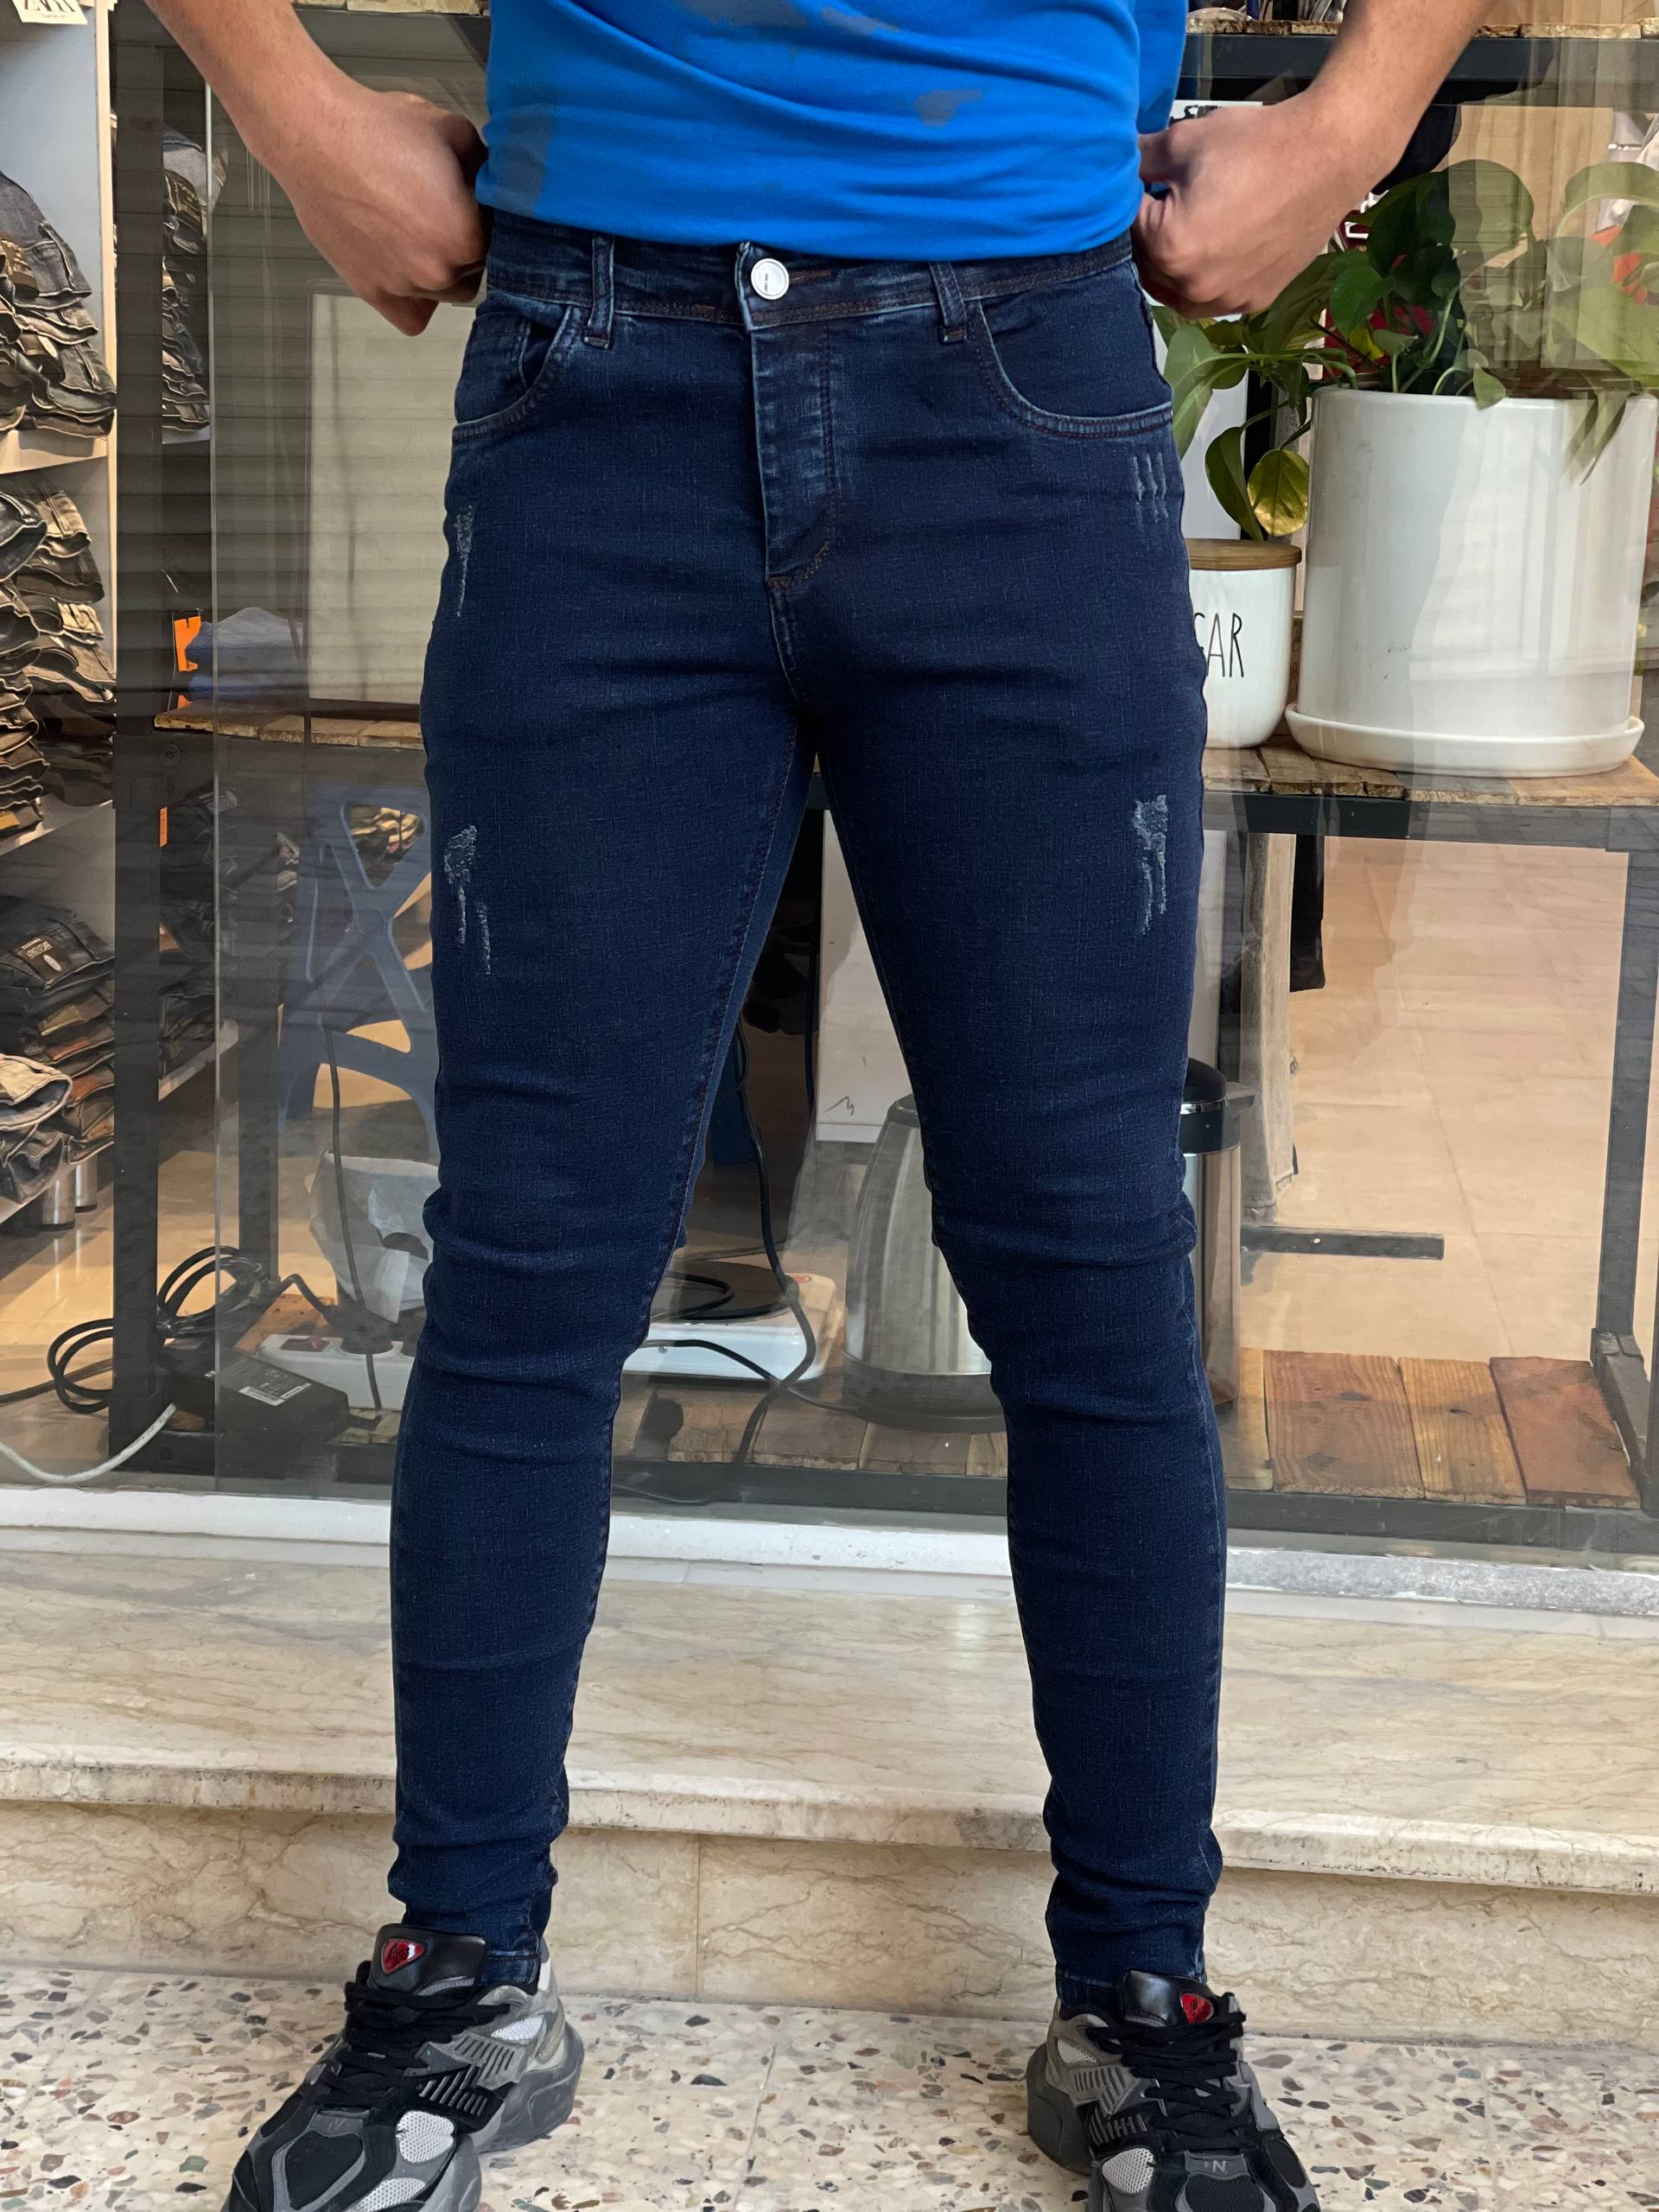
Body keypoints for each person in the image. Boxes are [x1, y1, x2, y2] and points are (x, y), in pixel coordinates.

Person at [149, 4, 1493, 2209]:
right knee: (533, 1251)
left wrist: (1353, 125)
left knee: (1088, 1259)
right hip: (597, 373)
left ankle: (1142, 1987)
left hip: (1022, 373)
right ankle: (457, 1963)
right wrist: (289, 108)